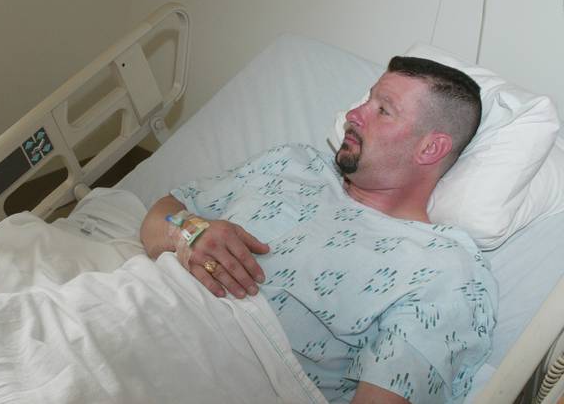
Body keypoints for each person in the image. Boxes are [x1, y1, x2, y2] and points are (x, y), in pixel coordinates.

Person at [140, 56, 495, 404]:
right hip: (137, 307)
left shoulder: (441, 268)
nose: (354, 114)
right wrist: (187, 231)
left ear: (430, 147)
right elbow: (164, 213)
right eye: (366, 99)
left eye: (383, 110)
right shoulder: (292, 163)